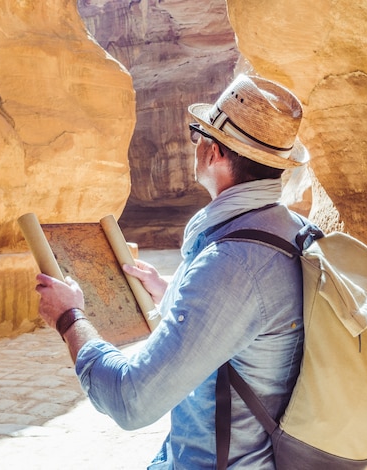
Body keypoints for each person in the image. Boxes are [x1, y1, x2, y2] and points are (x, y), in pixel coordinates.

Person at [35, 74, 310, 469]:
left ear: (213, 151)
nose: (194, 145)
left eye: (198, 135)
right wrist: (171, 290)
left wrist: (68, 316)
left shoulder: (232, 264)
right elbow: (255, 324)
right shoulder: (287, 229)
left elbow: (131, 400)